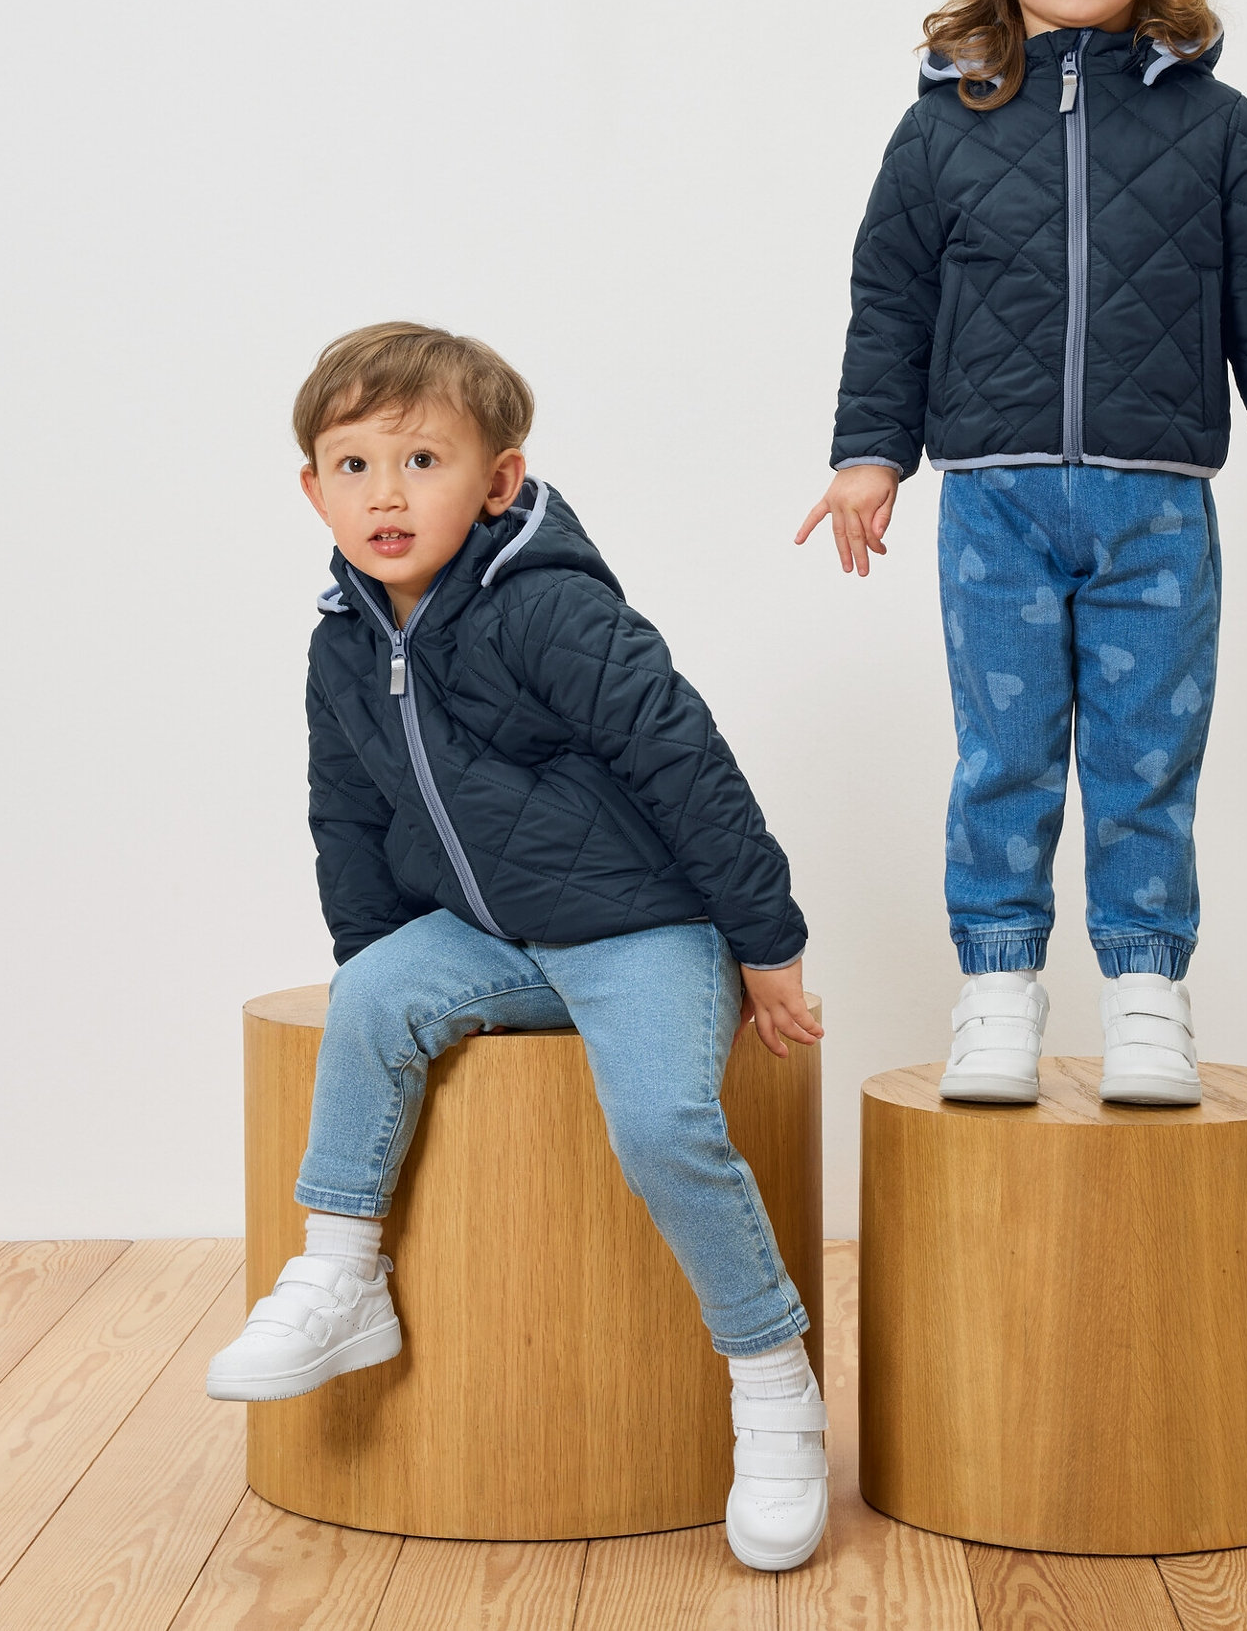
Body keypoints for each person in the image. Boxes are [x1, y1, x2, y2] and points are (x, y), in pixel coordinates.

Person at [206, 323, 830, 1572]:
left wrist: (764, 942)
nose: (386, 493)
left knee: (662, 1127)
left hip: (640, 926)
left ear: (498, 481)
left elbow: (685, 759)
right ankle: (342, 1281)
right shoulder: (343, 642)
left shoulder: (545, 608)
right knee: (372, 992)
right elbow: (349, 815)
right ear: (311, 487)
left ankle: (772, 1382)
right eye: (352, 464)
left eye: (423, 458)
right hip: (497, 938)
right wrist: (387, 963)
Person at [799, 0, 1247, 1108]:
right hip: (991, 500)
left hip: (1154, 504)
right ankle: (994, 986)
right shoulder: (942, 128)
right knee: (1000, 754)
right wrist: (867, 457)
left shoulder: (1216, 128)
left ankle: (1145, 995)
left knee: (1141, 759)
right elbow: (889, 299)